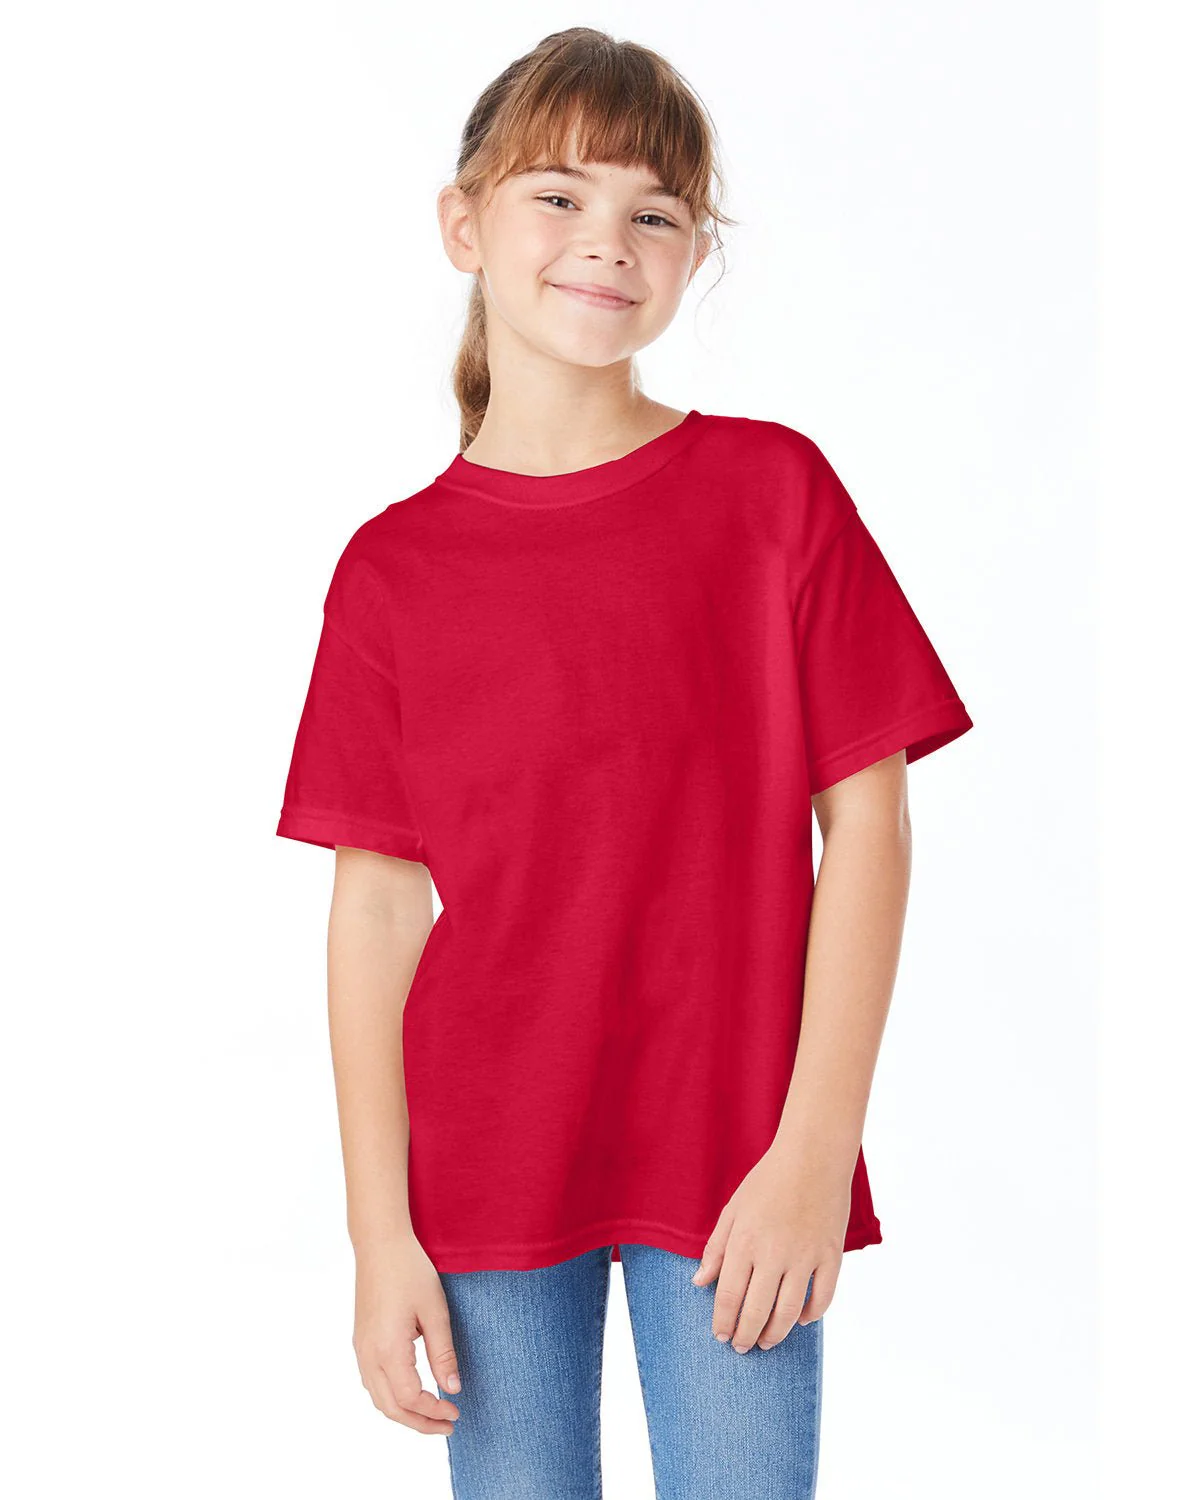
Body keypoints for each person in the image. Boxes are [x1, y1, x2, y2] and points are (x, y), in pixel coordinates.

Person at [275, 25, 974, 1500]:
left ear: (692, 254)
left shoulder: (772, 494)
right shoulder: (391, 571)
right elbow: (378, 908)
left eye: (654, 211)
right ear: (463, 224)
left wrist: (814, 1149)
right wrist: (377, 1234)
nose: (607, 240)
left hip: (736, 1146)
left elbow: (871, 826)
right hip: (482, 1155)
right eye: (560, 196)